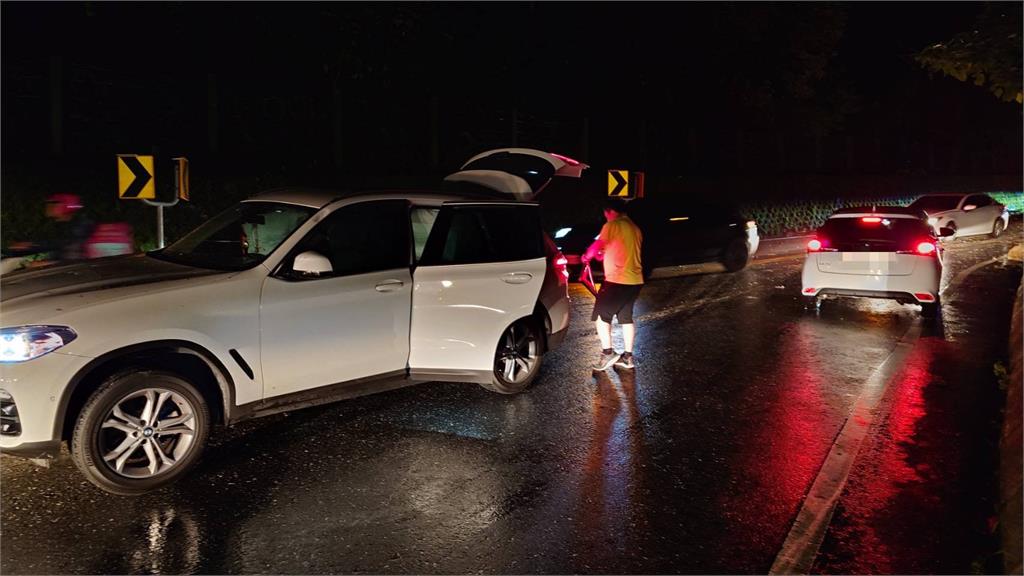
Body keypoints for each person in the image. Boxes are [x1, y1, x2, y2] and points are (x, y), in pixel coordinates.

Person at [581, 197, 644, 371]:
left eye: (605, 214)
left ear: (610, 211)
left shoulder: (612, 225)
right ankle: (627, 357)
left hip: (618, 280)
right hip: (635, 281)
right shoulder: (634, 227)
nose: (605, 217)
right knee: (625, 318)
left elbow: (597, 245)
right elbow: (618, 250)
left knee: (601, 318)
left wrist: (587, 256)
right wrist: (603, 256)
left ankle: (608, 353)